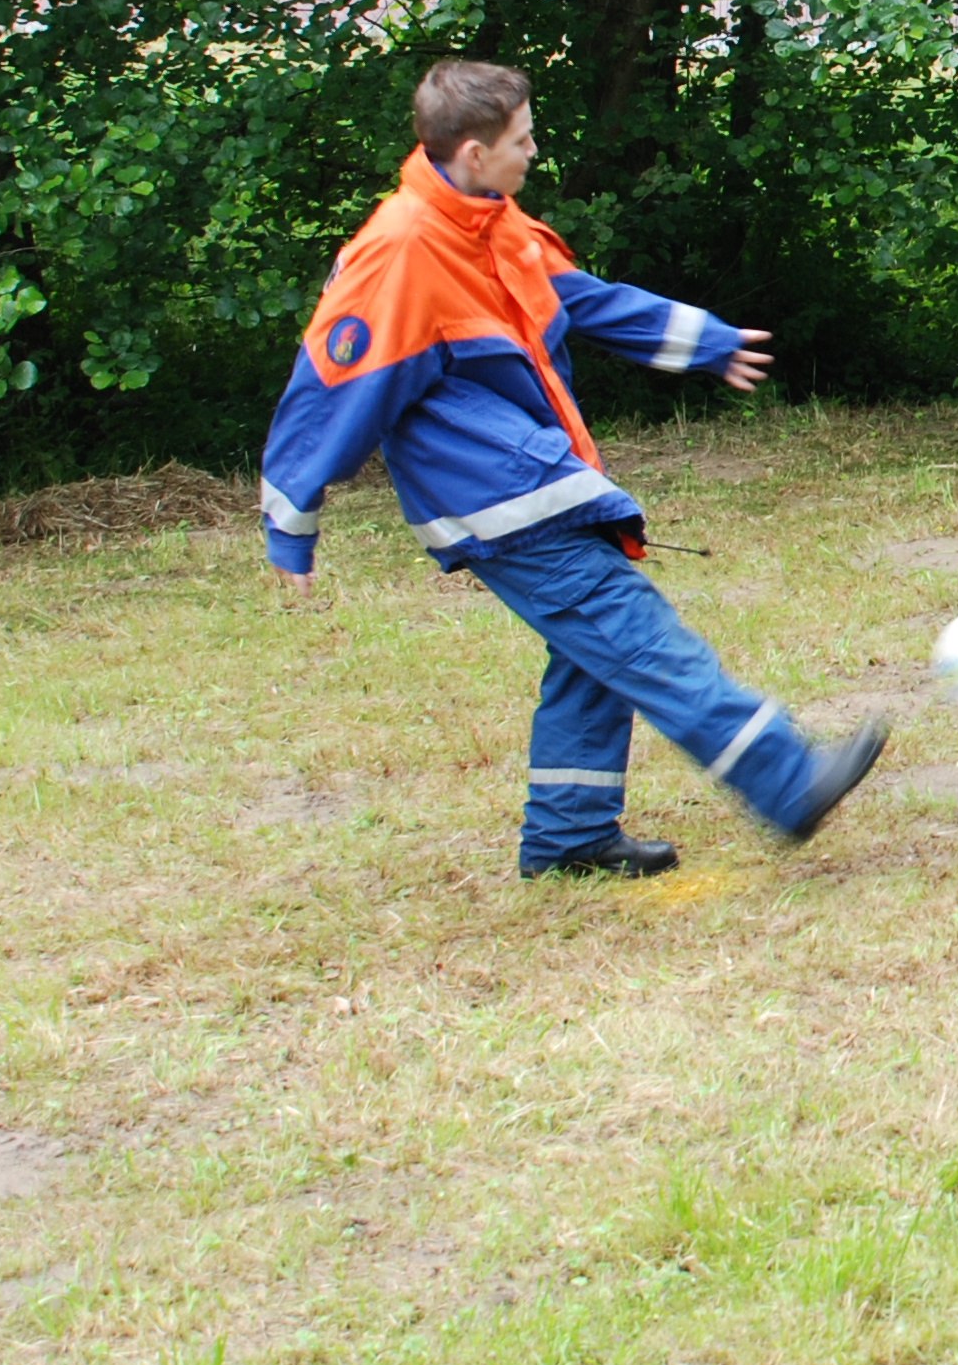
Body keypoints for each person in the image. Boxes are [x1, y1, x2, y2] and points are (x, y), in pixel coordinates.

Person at [257, 60, 886, 878]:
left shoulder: (488, 222)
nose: (534, 151)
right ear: (474, 153)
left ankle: (568, 836)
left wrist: (706, 342)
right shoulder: (400, 252)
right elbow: (327, 390)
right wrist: (290, 525)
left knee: (592, 654)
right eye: (522, 140)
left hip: (537, 479)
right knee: (637, 637)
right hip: (498, 500)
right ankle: (787, 779)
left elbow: (584, 298)